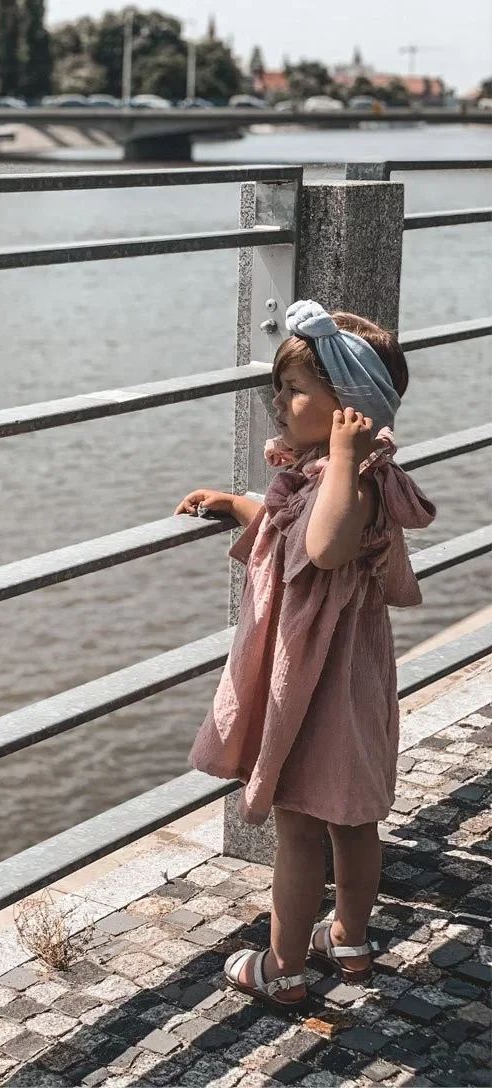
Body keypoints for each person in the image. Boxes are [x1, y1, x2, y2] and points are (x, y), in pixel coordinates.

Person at [175, 299, 436, 1010]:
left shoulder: (357, 480)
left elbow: (322, 546)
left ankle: (283, 966)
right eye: (279, 387)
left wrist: (345, 458)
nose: (278, 402)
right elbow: (289, 526)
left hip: (320, 682)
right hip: (350, 677)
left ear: (349, 408)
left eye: (293, 389)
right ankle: (348, 936)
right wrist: (237, 503)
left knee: (299, 825)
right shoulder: (334, 475)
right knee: (353, 817)